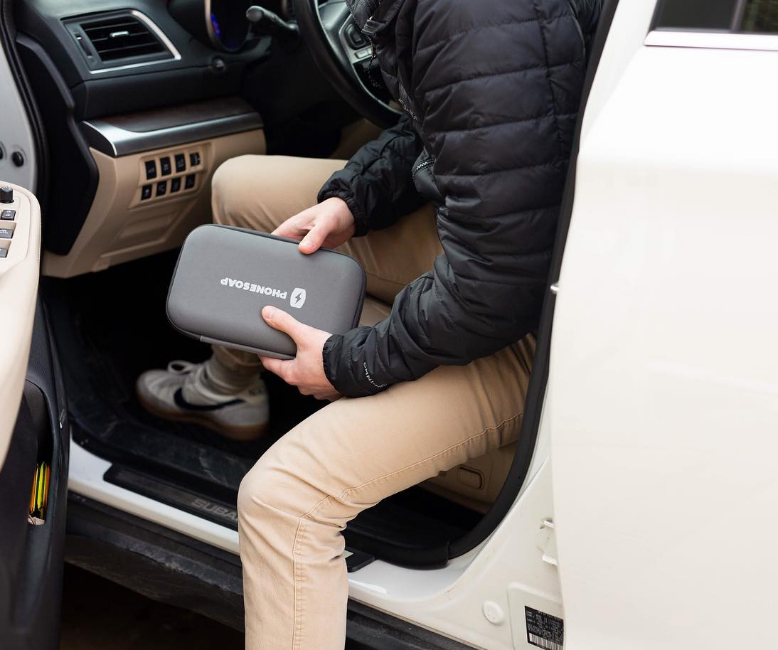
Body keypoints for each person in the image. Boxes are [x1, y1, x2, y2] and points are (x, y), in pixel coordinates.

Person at [136, 0, 600, 646]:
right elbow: (454, 121)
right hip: (493, 235)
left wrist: (344, 362)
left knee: (281, 505)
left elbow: (496, 289)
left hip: (529, 325)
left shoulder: (466, 15)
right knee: (237, 191)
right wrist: (351, 200)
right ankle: (231, 386)